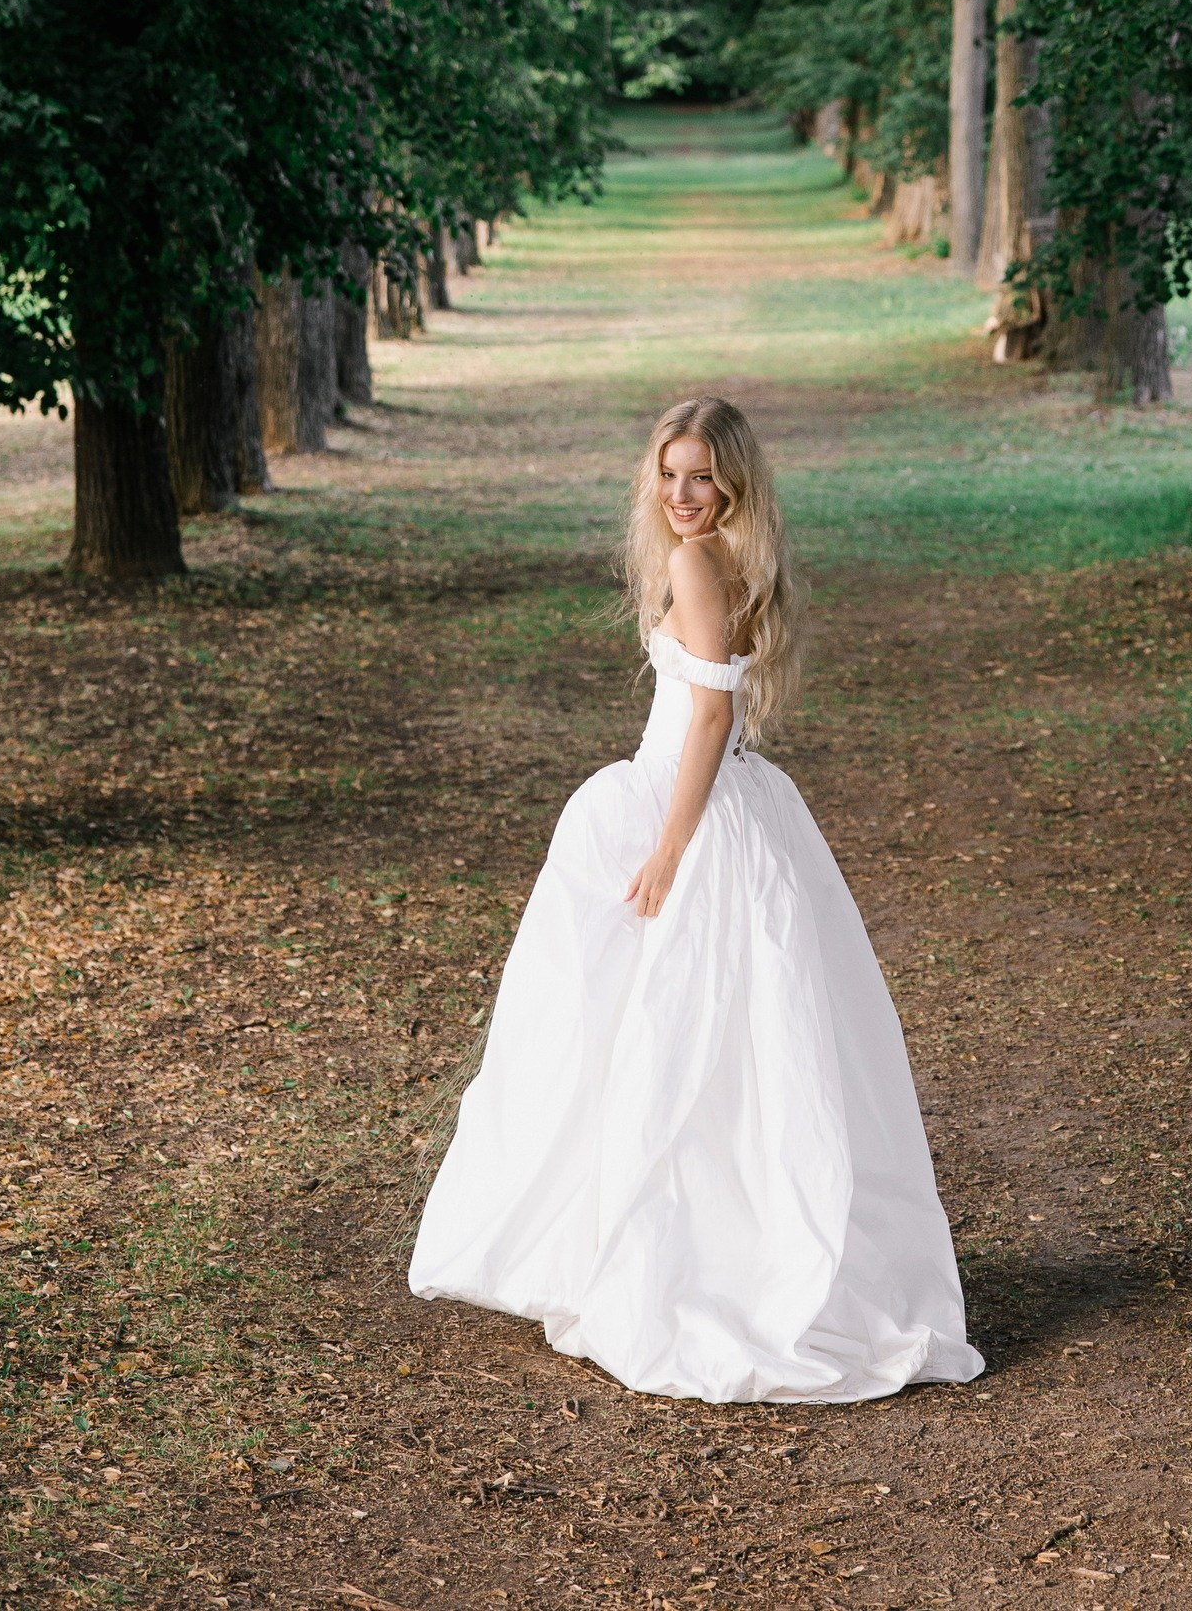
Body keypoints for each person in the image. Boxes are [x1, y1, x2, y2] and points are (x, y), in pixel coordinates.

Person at [408, 393, 984, 1405]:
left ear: (733, 482)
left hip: (691, 807)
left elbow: (709, 714)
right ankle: (706, 1241)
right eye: (669, 473)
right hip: (716, 802)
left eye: (701, 476)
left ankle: (688, 1262)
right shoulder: (726, 559)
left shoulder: (695, 563)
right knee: (693, 1045)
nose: (682, 493)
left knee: (670, 1041)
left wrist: (669, 848)